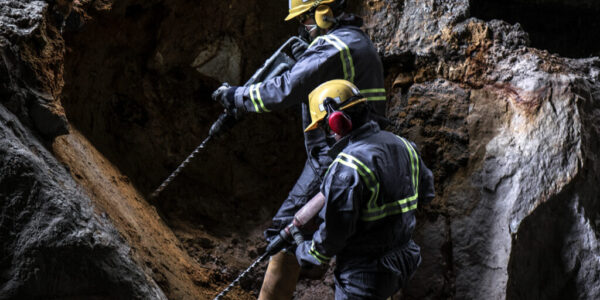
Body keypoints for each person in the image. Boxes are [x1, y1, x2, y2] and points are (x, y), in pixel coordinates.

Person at [212, 1, 387, 298]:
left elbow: (285, 89)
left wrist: (237, 96)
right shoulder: (356, 41)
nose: (303, 26)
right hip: (362, 150)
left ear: (322, 12)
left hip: (338, 156)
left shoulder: (334, 45)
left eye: (305, 18)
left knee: (286, 232)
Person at [293, 79, 435, 299]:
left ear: (336, 122)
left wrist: (306, 251)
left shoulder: (346, 168)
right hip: (404, 259)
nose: (326, 134)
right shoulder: (404, 145)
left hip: (365, 274)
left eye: (324, 127)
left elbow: (332, 236)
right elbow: (426, 194)